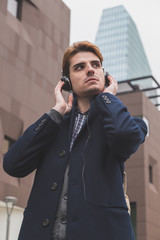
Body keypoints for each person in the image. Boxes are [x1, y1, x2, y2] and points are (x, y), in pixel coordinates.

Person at [3, 41, 147, 240]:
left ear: (105, 76)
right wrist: (55, 113)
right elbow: (12, 165)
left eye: (95, 65)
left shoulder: (127, 123)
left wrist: (108, 97)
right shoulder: (53, 126)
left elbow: (125, 138)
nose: (90, 70)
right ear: (67, 81)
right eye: (80, 67)